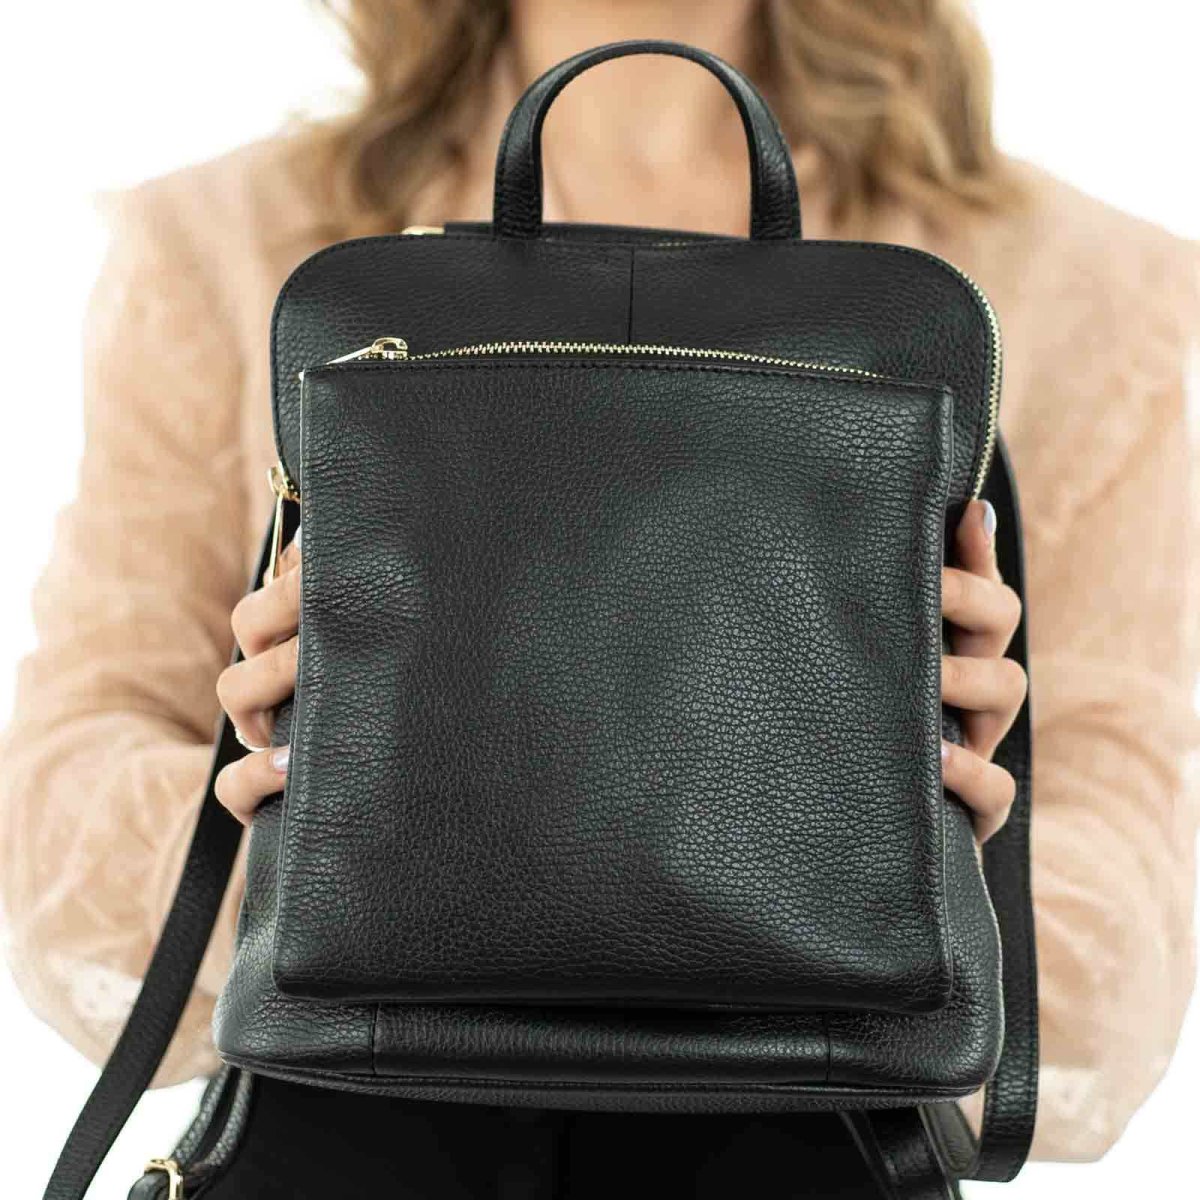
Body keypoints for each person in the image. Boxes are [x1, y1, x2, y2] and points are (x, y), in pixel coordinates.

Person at [2, 0, 1197, 1195]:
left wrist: (937, 844)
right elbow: (56, 803)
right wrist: (305, 821)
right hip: (326, 1147)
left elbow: (1125, 958)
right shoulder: (222, 239)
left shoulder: (1083, 287)